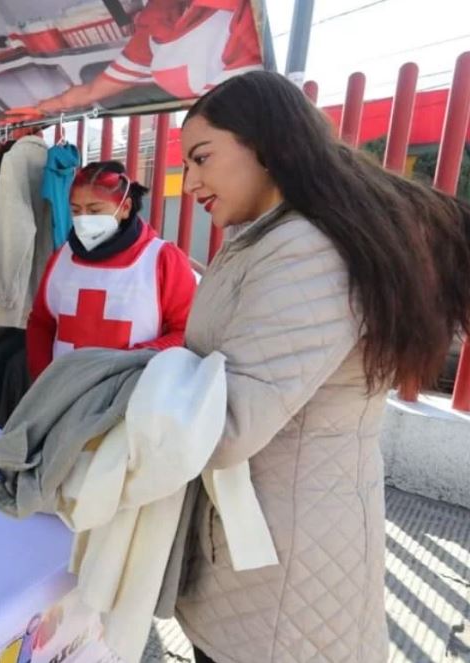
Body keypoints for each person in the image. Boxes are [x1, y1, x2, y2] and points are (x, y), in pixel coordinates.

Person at [174, 71, 470, 662]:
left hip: (281, 572)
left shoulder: (305, 251)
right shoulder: (274, 239)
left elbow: (227, 426)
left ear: (264, 142)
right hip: (268, 549)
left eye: (202, 157)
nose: (190, 182)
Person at [26, 161, 196, 379]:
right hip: (63, 394)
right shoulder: (62, 256)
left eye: (95, 210)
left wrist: (130, 362)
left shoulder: (163, 259)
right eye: (76, 211)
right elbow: (41, 322)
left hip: (130, 394)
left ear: (124, 208)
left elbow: (187, 333)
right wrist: (43, 381)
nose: (83, 219)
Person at [34, 0, 261, 114]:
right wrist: (40, 110)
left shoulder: (246, 16)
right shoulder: (158, 12)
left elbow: (215, 107)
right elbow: (89, 92)